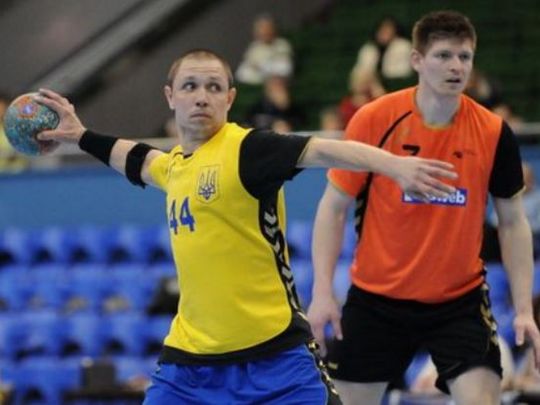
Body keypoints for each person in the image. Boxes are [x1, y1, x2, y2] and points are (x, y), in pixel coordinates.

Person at [35, 49, 457, 404]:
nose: (202, 97)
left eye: (214, 87)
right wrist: (80, 135)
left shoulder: (248, 149)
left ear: (230, 98)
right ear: (170, 97)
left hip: (275, 359)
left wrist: (394, 165)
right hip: (189, 364)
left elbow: (327, 150)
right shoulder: (175, 167)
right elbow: (138, 159)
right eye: (190, 86)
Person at [307, 10, 540, 405]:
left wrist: (523, 309)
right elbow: (333, 207)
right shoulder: (374, 119)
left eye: (464, 57)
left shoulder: (493, 132)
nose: (456, 67)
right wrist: (322, 292)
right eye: (444, 56)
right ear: (416, 60)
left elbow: (513, 222)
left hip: (459, 301)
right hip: (377, 300)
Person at [235, 14, 293, 85]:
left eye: (267, 28)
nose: (264, 32)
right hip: (256, 76)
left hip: (275, 78)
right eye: (261, 28)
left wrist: (262, 67)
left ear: (274, 29)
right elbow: (246, 67)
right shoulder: (254, 47)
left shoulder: (281, 44)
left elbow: (284, 67)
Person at [351, 16, 413, 82]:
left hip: (396, 82)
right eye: (382, 30)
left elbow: (400, 72)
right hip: (371, 83)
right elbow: (359, 71)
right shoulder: (369, 48)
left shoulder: (403, 46)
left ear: (396, 32)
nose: (384, 33)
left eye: (388, 30)